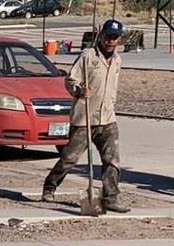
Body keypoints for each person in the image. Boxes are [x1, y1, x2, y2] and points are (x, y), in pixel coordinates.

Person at [42, 18, 130, 212]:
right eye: (108, 36)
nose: (111, 41)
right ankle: (50, 186)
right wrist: (78, 90)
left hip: (107, 119)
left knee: (112, 161)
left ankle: (110, 198)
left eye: (115, 38)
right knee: (69, 159)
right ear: (101, 36)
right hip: (84, 118)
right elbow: (70, 79)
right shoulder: (87, 56)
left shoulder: (117, 59)